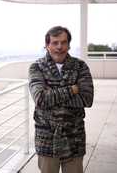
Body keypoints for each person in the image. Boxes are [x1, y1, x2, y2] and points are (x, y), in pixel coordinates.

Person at [28, 26, 94, 173]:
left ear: (69, 45)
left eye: (63, 42)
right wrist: (73, 89)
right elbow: (41, 99)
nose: (59, 47)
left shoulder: (80, 66)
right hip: (47, 138)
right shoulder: (37, 67)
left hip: (74, 138)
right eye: (55, 42)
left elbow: (87, 99)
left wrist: (52, 94)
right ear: (46, 45)